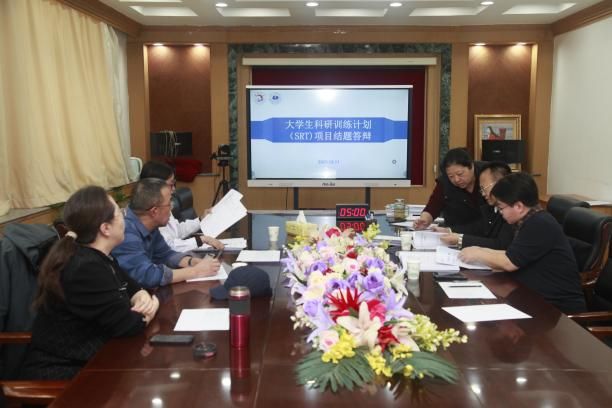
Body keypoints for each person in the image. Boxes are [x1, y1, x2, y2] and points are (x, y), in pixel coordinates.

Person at [20, 186, 159, 380]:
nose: (124, 217)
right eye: (120, 213)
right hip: (66, 372)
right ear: (105, 228)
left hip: (97, 359)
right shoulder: (85, 268)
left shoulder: (96, 256)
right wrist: (153, 305)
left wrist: (141, 294)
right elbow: (129, 326)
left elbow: (131, 285)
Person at [458, 173, 586, 314]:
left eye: (501, 208)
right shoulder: (530, 220)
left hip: (556, 309)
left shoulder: (539, 224)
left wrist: (478, 254)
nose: (500, 212)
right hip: (534, 298)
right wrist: (480, 250)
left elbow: (509, 262)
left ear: (519, 206)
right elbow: (513, 253)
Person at [111, 178, 221, 288]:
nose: (172, 208)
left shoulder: (150, 225)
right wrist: (196, 271)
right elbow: (148, 276)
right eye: (169, 204)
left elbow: (166, 255)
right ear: (154, 211)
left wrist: (192, 262)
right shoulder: (126, 233)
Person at [140, 161, 223, 252]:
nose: (174, 189)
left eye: (174, 184)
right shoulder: (147, 212)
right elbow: (168, 246)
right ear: (155, 186)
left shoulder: (163, 204)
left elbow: (177, 231)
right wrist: (201, 240)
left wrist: (200, 219)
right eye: (170, 185)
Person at [436, 161, 514, 249]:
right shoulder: (492, 208)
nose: (483, 194)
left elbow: (501, 244)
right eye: (481, 189)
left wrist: (461, 240)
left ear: (500, 183)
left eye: (484, 188)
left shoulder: (512, 209)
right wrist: (450, 230)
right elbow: (479, 227)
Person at [414, 148, 486, 230]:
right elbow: (433, 205)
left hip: (483, 232)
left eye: (460, 174)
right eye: (451, 176)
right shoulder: (445, 181)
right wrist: (424, 219)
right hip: (453, 231)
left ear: (471, 166)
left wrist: (452, 231)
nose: (456, 180)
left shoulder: (487, 174)